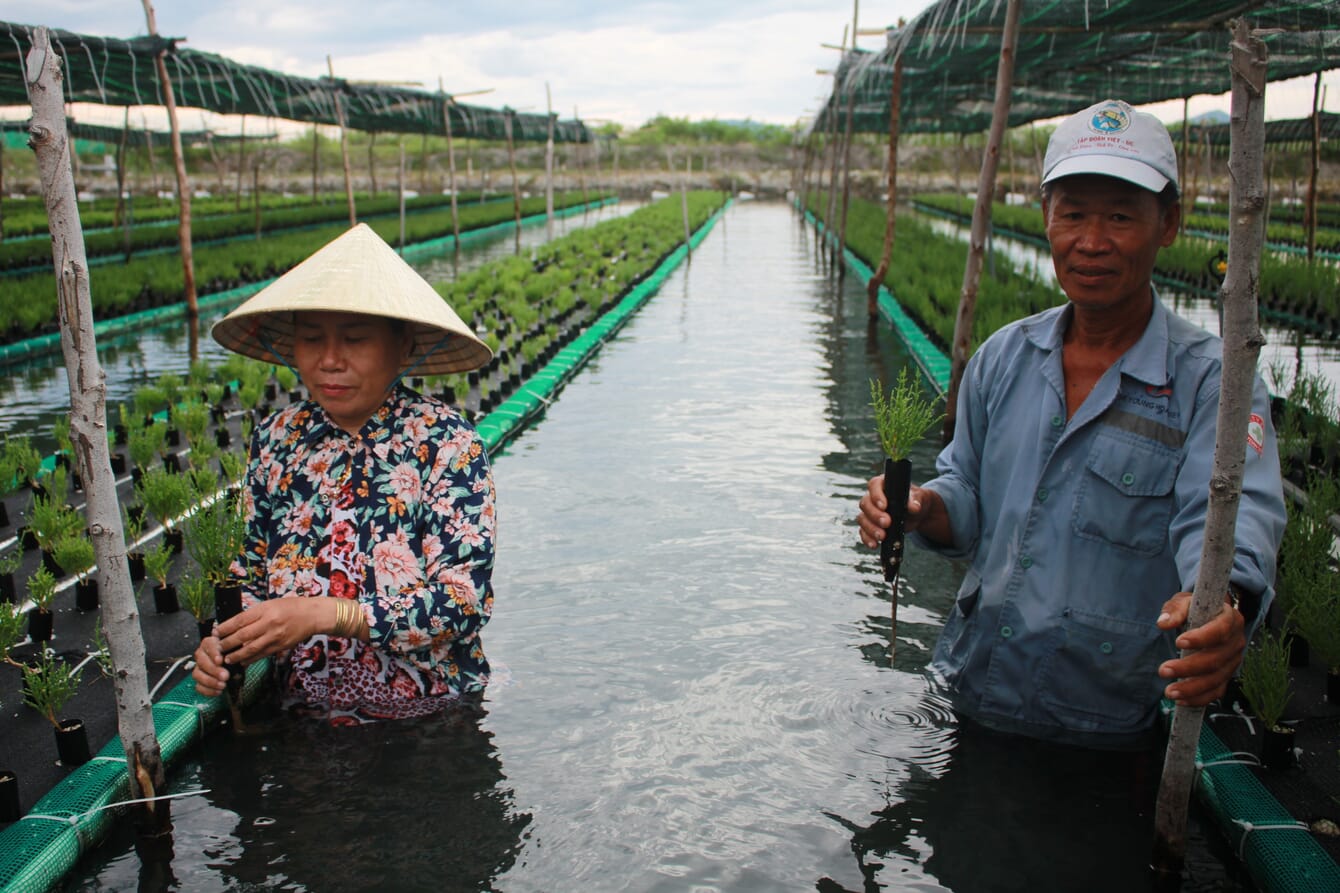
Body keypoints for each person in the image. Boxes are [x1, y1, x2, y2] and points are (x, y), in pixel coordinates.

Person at [857, 99, 1287, 750]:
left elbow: (1231, 524)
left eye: (1120, 215)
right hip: (969, 688)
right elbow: (967, 500)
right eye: (1074, 213)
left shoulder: (1212, 384)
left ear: (1168, 222)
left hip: (1105, 731)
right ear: (1046, 219)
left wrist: (1223, 605)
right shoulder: (1004, 357)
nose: (1092, 241)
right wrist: (919, 506)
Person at [193, 223, 497, 724]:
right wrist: (224, 641)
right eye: (311, 339)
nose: (330, 360)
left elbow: (463, 602)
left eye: (354, 340)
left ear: (402, 348)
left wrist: (328, 613)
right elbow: (250, 573)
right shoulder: (277, 440)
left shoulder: (446, 444)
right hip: (302, 710)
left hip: (428, 715)